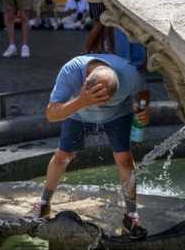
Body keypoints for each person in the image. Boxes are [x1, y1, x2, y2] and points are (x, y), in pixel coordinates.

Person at [32, 54, 150, 240]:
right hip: (77, 112)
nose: (99, 108)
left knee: (125, 160)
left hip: (118, 115)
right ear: (85, 80)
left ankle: (131, 215)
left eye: (105, 102)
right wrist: (82, 102)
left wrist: (142, 109)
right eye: (96, 101)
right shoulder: (71, 71)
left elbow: (142, 91)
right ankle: (44, 202)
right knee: (63, 156)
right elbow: (51, 114)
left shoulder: (129, 74)